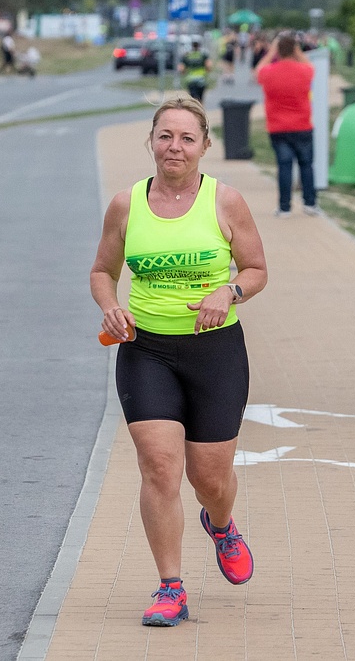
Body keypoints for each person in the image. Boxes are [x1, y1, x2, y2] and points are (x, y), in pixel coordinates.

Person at [89, 97, 268, 627]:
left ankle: (222, 524)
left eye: (187, 138)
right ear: (151, 141)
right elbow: (102, 271)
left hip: (215, 352)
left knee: (209, 478)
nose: (175, 147)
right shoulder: (126, 205)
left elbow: (256, 269)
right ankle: (171, 586)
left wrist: (229, 291)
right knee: (160, 467)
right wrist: (110, 306)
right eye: (165, 136)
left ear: (205, 146)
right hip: (145, 350)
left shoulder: (226, 201)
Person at [254, 33, 321, 217]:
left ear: (278, 51)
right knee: (306, 165)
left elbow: (258, 69)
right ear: (295, 50)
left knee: (284, 167)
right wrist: (298, 51)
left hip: (278, 127)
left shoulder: (269, 72)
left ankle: (284, 207)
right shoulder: (304, 71)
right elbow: (311, 66)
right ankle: (310, 203)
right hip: (302, 125)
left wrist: (271, 51)